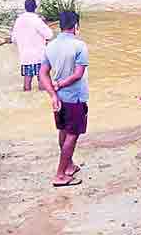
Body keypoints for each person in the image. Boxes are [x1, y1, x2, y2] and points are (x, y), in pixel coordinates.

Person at [39, 11, 89, 187]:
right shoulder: (80, 45)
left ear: (60, 26)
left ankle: (69, 166)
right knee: (73, 135)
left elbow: (42, 74)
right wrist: (60, 85)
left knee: (63, 131)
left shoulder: (50, 46)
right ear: (76, 26)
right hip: (75, 98)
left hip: (59, 99)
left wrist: (53, 94)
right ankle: (60, 175)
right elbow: (78, 74)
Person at [10, 0, 53, 91]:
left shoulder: (19, 20)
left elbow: (13, 39)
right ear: (35, 7)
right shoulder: (37, 20)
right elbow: (49, 35)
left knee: (27, 82)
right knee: (42, 82)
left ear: (25, 7)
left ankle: (26, 97)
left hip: (25, 57)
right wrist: (45, 24)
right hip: (39, 56)